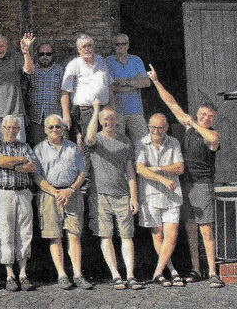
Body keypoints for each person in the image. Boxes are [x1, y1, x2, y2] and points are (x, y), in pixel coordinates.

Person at [147, 65, 225, 288]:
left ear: (213, 119)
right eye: (202, 114)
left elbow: (211, 138)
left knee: (206, 230)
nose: (205, 118)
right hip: (186, 184)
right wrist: (156, 81)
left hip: (202, 185)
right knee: (190, 228)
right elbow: (171, 103)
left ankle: (212, 272)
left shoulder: (212, 134)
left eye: (209, 116)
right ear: (197, 113)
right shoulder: (191, 125)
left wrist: (195, 123)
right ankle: (196, 269)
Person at [83, 101, 143, 291]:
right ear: (100, 122)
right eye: (105, 119)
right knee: (106, 235)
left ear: (117, 120)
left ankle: (131, 275)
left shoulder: (125, 141)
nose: (108, 122)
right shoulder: (96, 140)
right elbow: (89, 138)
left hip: (122, 194)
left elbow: (130, 171)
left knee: (127, 236)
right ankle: (116, 275)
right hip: (100, 195)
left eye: (111, 118)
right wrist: (95, 111)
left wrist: (134, 197)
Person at [32, 115, 92, 290]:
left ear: (63, 129)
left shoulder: (73, 147)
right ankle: (62, 275)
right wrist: (56, 192)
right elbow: (37, 176)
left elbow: (82, 172)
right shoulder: (39, 149)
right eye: (50, 127)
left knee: (74, 234)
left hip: (72, 193)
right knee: (55, 236)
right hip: (50, 195)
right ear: (45, 130)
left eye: (58, 127)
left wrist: (70, 190)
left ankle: (78, 274)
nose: (54, 130)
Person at [134, 113, 186, 287]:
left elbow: (179, 167)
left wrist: (157, 168)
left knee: (171, 235)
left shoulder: (174, 142)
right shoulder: (142, 143)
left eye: (160, 127)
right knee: (158, 235)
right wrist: (164, 178)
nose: (156, 131)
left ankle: (157, 272)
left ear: (166, 127)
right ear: (149, 126)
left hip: (172, 196)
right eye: (153, 127)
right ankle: (170, 270)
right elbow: (141, 169)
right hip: (151, 195)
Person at [0, 115, 39, 291]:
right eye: (8, 128)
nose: (11, 131)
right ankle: (10, 274)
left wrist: (11, 163)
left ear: (19, 130)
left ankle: (23, 274)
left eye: (15, 128)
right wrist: (20, 161)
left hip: (23, 192)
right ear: (2, 129)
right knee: (5, 232)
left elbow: (33, 167)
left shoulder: (24, 146)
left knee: (25, 232)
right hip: (3, 192)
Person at [0, 33, 35, 142]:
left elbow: (30, 70)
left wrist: (26, 51)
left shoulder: (15, 57)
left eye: (2, 45)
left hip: (16, 112)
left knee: (19, 149)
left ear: (7, 46)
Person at [61, 34, 113, 142]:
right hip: (85, 112)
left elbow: (109, 85)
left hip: (104, 110)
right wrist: (66, 115)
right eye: (84, 47)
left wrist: (112, 107)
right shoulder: (73, 65)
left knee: (105, 141)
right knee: (88, 142)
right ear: (79, 49)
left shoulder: (102, 61)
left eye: (89, 45)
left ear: (93, 47)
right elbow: (65, 92)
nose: (87, 49)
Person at [106, 34, 151, 143]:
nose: (121, 46)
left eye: (124, 43)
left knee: (143, 143)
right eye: (118, 44)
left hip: (135, 110)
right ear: (113, 46)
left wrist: (125, 82)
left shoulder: (136, 60)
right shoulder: (107, 61)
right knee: (117, 143)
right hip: (116, 110)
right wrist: (134, 83)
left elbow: (146, 82)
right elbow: (110, 86)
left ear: (128, 45)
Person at [27, 43, 64, 146]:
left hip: (55, 117)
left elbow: (65, 93)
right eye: (42, 54)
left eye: (48, 54)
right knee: (37, 147)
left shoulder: (60, 71)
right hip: (36, 118)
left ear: (52, 55)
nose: (45, 57)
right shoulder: (31, 70)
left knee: (56, 146)